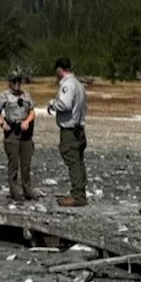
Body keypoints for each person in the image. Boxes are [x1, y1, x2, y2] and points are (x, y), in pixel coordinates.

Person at [46, 57, 88, 207]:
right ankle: (80, 190)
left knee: (73, 161)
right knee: (78, 161)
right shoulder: (78, 84)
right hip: (79, 128)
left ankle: (78, 195)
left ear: (59, 69)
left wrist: (53, 104)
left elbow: (65, 103)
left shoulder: (67, 85)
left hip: (70, 129)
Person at [0, 72, 39, 201]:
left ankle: (27, 189)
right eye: (14, 82)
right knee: (13, 163)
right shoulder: (4, 96)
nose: (17, 84)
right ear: (10, 83)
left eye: (19, 81)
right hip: (12, 130)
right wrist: (2, 124)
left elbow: (32, 112)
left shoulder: (26, 95)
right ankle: (14, 190)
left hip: (26, 131)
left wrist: (27, 121)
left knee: (26, 163)